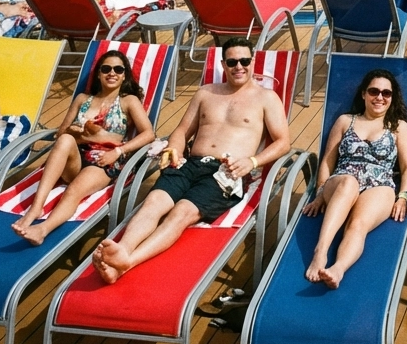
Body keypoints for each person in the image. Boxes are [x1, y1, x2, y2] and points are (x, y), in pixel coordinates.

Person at [92, 37, 290, 283]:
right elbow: (182, 130)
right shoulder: (206, 92)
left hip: (225, 173)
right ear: (223, 64)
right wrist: (175, 147)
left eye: (244, 61)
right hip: (189, 163)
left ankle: (127, 263)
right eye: (232, 61)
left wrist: (252, 161)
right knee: (153, 201)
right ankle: (122, 250)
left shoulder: (266, 98)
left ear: (253, 62)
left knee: (182, 211)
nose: (238, 66)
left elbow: (283, 142)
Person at [10, 50, 154, 245]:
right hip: (77, 157)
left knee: (74, 190)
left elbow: (148, 133)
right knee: (64, 141)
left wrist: (118, 151)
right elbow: (61, 133)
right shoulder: (82, 99)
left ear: (124, 75)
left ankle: (42, 229)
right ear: (98, 73)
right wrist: (77, 132)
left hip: (104, 160)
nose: (112, 73)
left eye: (118, 69)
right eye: (106, 69)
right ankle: (36, 208)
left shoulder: (128, 100)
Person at [303, 69, 407, 288]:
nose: (380, 97)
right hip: (341, 181)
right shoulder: (346, 121)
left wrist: (402, 197)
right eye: (374, 91)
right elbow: (327, 161)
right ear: (364, 94)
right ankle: (321, 251)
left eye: (386, 93)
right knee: (349, 183)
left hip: (380, 184)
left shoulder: (398, 127)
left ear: (392, 98)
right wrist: (319, 194)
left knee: (358, 224)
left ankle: (338, 268)